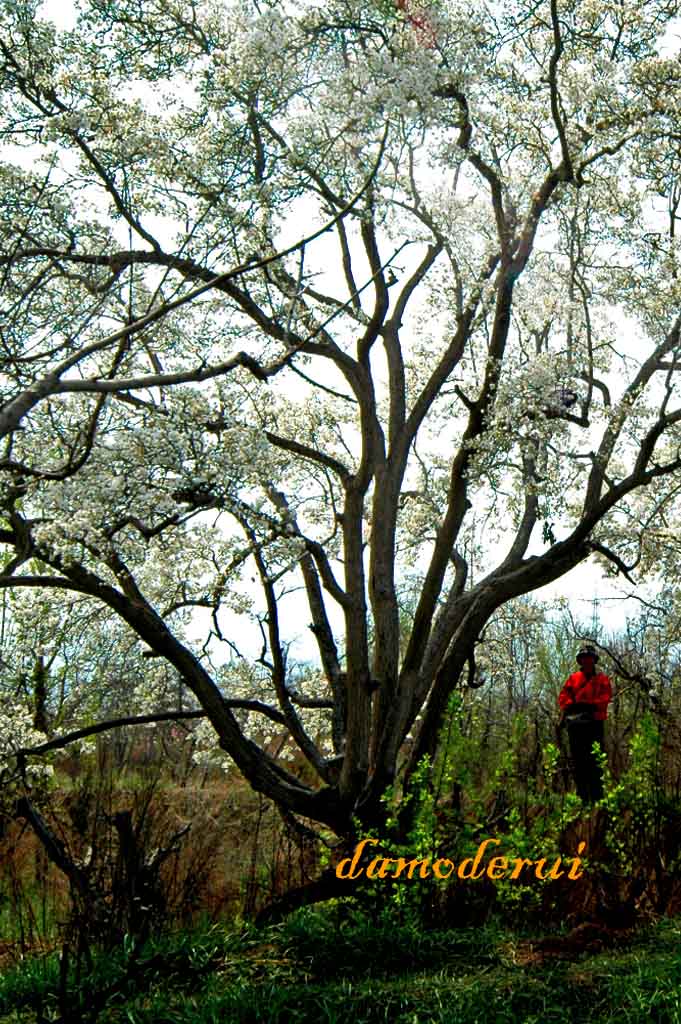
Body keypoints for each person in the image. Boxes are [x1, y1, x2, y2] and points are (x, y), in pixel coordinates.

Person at [558, 644, 612, 803]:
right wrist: (573, 706)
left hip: (594, 724)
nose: (587, 661)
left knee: (596, 761)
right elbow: (563, 698)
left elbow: (605, 697)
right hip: (576, 726)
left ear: (594, 660)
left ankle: (598, 798)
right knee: (579, 762)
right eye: (584, 659)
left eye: (589, 658)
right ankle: (582, 798)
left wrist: (590, 705)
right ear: (580, 661)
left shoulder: (602, 679)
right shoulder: (573, 679)